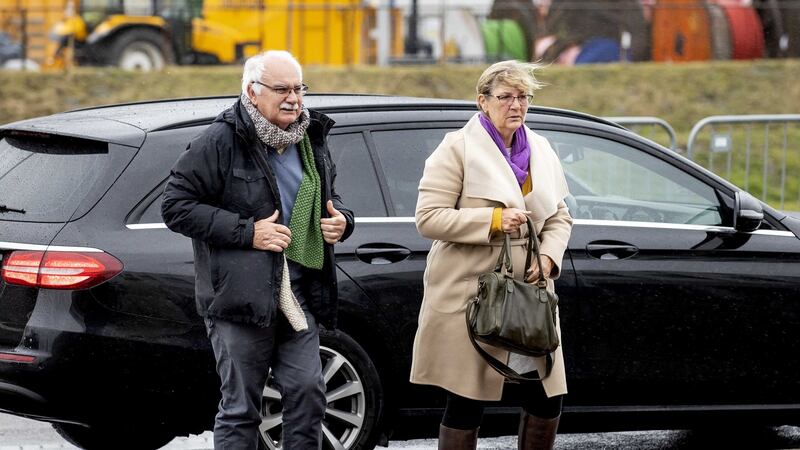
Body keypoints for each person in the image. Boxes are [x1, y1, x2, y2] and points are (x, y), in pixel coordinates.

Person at [161, 50, 354, 449]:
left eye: (299, 89)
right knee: (240, 410)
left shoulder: (310, 136)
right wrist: (249, 233)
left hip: (297, 293)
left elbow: (329, 198)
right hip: (239, 299)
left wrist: (343, 222)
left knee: (308, 394)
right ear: (252, 91)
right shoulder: (220, 139)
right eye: (282, 89)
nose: (294, 99)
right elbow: (175, 207)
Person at [410, 60, 572, 449]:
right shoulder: (457, 148)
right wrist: (494, 220)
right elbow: (428, 219)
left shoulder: (542, 148)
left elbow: (560, 215)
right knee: (467, 401)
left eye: (523, 97)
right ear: (482, 101)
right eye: (505, 97)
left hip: (530, 298)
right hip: (474, 296)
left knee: (548, 397)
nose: (515, 105)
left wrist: (548, 258)